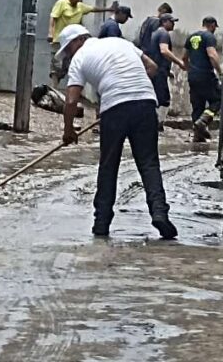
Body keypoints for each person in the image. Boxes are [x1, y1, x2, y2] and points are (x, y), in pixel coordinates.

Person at [57, 25, 178, 239]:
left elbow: (71, 100)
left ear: (77, 42)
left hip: (115, 107)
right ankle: (159, 212)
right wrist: (131, 88)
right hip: (145, 102)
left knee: (109, 165)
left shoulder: (80, 58)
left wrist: (68, 131)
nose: (68, 55)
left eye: (67, 49)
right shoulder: (121, 42)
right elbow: (151, 67)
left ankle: (101, 222)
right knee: (149, 162)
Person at [47, 0, 116, 86]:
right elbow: (53, 18)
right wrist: (50, 33)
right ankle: (54, 88)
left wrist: (109, 9)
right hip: (60, 41)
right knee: (57, 66)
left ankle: (71, 90)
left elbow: (93, 9)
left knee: (72, 66)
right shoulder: (61, 3)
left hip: (75, 42)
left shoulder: (80, 6)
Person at [184, 16, 223, 142]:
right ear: (212, 25)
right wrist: (220, 72)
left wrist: (189, 70)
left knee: (197, 105)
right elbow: (212, 54)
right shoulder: (209, 37)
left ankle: (198, 136)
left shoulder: (191, 37)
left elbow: (184, 57)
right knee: (218, 99)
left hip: (193, 76)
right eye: (214, 27)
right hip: (206, 75)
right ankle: (203, 121)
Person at [146, 13, 185, 130]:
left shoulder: (155, 33)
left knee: (156, 97)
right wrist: (179, 62)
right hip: (159, 71)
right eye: (171, 21)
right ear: (164, 22)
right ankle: (158, 124)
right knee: (164, 99)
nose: (173, 24)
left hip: (157, 70)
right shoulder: (163, 34)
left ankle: (155, 122)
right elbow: (164, 51)